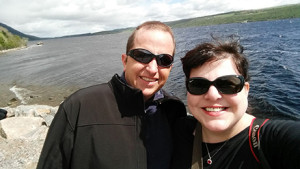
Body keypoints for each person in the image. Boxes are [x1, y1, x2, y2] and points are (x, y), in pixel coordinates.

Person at [37, 21, 186, 169]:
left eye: (164, 60)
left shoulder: (173, 110)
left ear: (170, 68)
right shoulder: (79, 107)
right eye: (142, 55)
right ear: (125, 61)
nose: (153, 69)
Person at [171, 37, 300, 169]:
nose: (212, 95)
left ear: (246, 90)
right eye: (198, 85)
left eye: (228, 84)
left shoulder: (273, 141)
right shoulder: (179, 130)